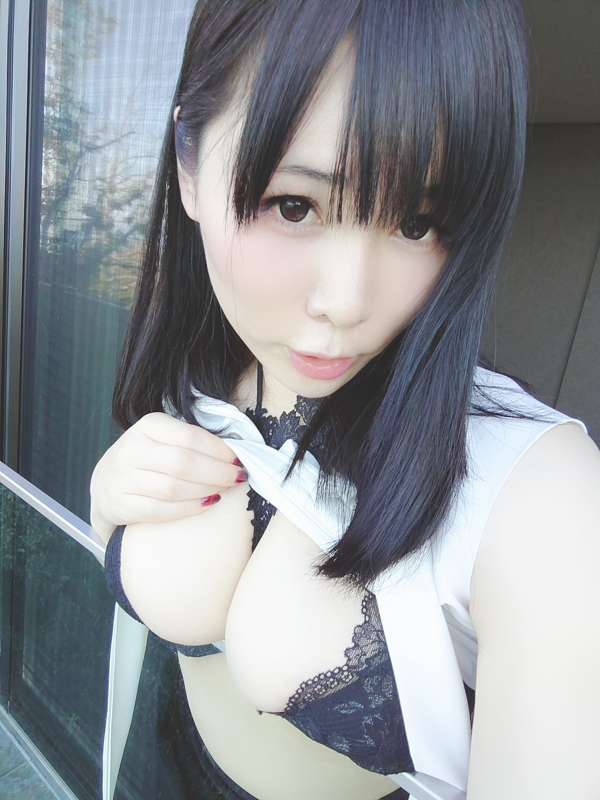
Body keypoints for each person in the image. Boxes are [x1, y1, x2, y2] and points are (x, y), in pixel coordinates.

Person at [89, 1, 600, 799]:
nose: (347, 303)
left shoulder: (541, 492)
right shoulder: (212, 361)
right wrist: (110, 500)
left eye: (419, 222)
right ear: (188, 167)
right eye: (294, 206)